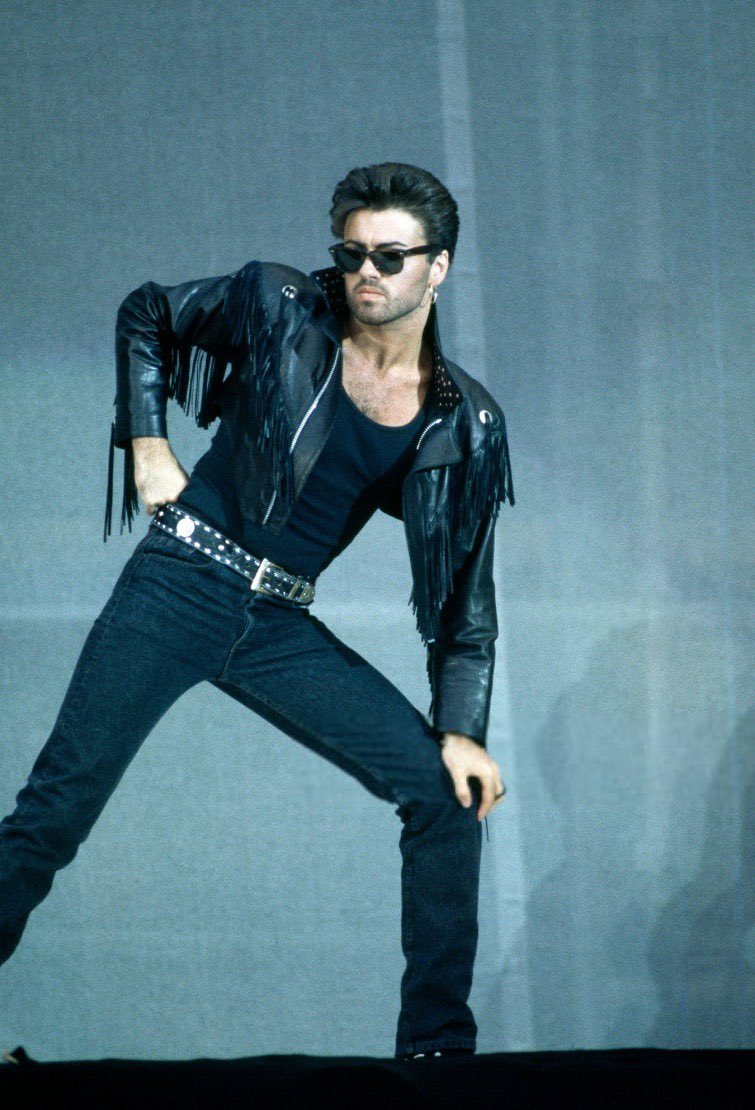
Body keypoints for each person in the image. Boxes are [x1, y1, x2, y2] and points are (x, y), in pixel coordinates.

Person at [0, 162, 514, 1060]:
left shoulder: (459, 421)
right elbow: (147, 311)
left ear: (438, 268)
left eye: (390, 257)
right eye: (352, 252)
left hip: (275, 623)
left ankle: (439, 1056)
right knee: (55, 813)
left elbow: (466, 590)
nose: (366, 272)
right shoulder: (280, 305)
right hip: (178, 584)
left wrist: (460, 726)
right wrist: (149, 445)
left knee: (441, 794)